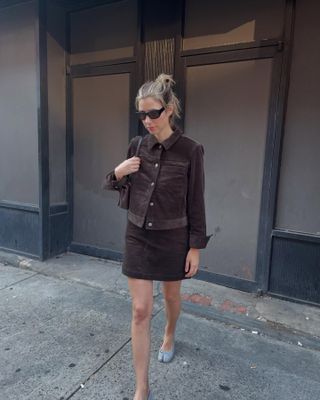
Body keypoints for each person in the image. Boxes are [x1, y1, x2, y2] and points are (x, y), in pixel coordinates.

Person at [103, 73, 211, 400]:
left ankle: (169, 333)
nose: (148, 121)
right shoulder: (137, 145)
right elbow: (114, 184)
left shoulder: (191, 151)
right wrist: (118, 173)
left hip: (173, 239)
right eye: (142, 114)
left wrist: (195, 246)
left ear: (169, 108)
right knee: (140, 310)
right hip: (137, 236)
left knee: (171, 298)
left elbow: (196, 200)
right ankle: (142, 387)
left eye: (154, 113)